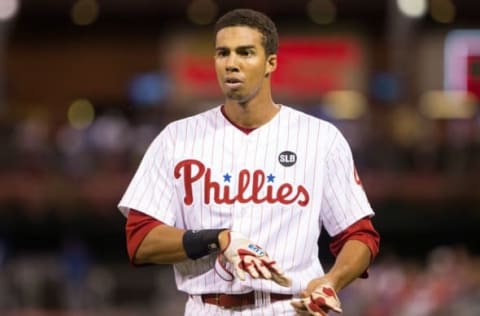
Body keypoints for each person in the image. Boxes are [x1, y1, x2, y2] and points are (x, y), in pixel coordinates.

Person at [118, 8, 380, 315]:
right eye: (222, 53)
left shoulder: (321, 138)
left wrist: (332, 281)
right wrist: (219, 240)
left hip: (290, 308)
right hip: (208, 307)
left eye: (245, 52)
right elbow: (140, 239)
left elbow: (359, 234)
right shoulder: (176, 138)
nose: (231, 63)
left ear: (271, 62)